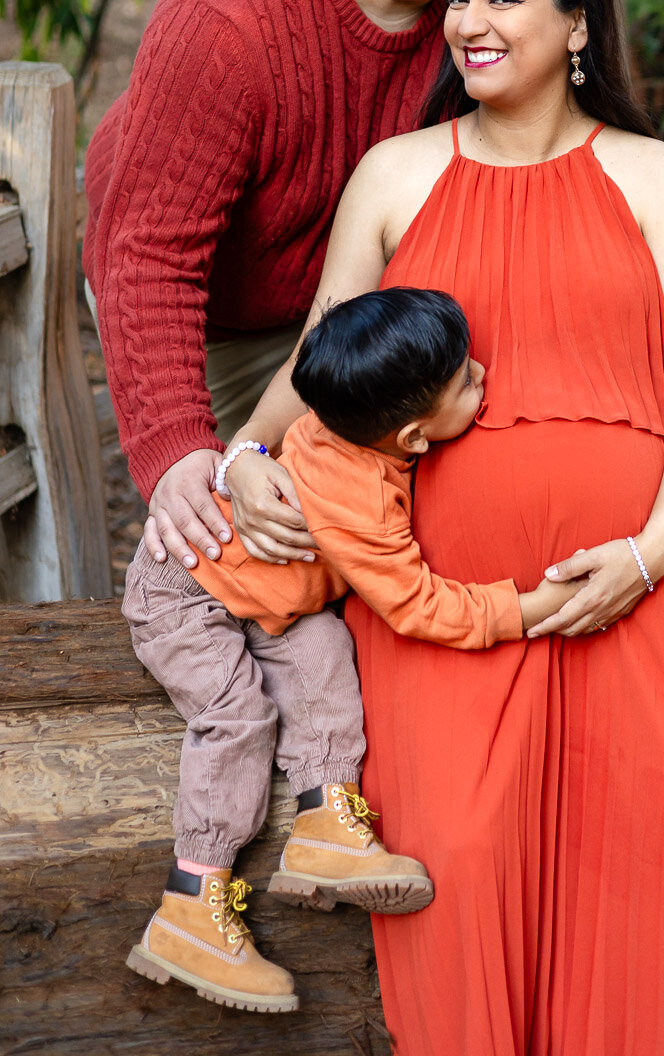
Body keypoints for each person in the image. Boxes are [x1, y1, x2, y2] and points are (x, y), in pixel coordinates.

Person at [221, 0, 664, 1053]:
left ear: (576, 23)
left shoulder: (650, 173)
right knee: (460, 868)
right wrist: (232, 455)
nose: (468, 21)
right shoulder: (395, 174)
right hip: (442, 610)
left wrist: (650, 548)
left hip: (635, 585)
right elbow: (319, 368)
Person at [83, 0, 519, 571]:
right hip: (224, 308)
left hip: (368, 296)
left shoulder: (486, 3)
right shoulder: (226, 19)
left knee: (437, 513)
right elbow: (147, 255)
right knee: (248, 550)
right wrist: (177, 447)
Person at [123, 286, 576, 1015]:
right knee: (237, 717)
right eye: (466, 380)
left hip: (278, 602)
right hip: (186, 594)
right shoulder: (356, 502)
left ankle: (325, 825)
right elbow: (417, 604)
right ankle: (189, 905)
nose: (484, 372)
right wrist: (525, 610)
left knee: (326, 650)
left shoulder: (337, 403)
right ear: (414, 439)